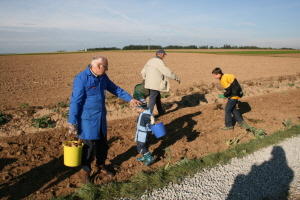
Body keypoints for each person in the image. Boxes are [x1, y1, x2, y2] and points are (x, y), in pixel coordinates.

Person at [68, 55, 141, 183]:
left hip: (101, 118)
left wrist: (130, 99)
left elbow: (115, 88)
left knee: (102, 145)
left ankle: (101, 166)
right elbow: (75, 101)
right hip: (87, 120)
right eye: (106, 68)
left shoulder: (102, 77)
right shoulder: (82, 78)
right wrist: (72, 121)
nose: (106, 70)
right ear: (98, 66)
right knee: (88, 148)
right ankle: (86, 171)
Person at [141, 49, 180, 116]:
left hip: (149, 83)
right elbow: (166, 72)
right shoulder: (159, 62)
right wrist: (176, 78)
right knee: (152, 99)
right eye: (164, 55)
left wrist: (146, 79)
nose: (164, 56)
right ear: (161, 54)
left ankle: (160, 111)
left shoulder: (150, 60)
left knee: (157, 97)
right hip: (155, 84)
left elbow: (143, 72)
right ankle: (148, 115)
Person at [134, 99, 156, 166]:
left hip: (144, 133)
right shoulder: (143, 113)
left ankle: (150, 158)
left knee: (141, 147)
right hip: (141, 132)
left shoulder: (146, 114)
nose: (137, 110)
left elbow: (152, 119)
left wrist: (151, 126)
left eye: (138, 109)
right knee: (143, 145)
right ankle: (145, 157)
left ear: (142, 108)